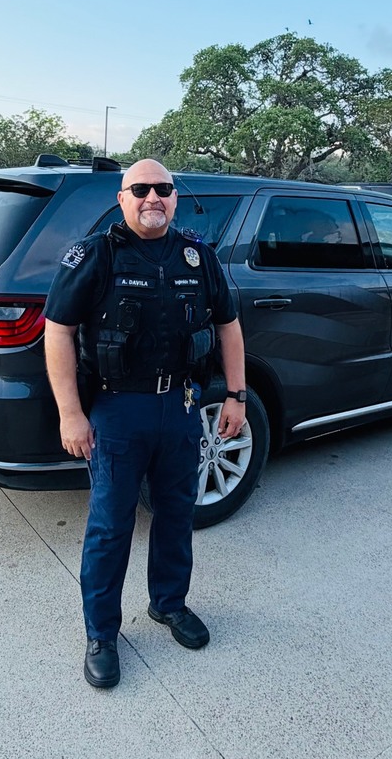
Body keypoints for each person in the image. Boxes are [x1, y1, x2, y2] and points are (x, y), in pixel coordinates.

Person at [43, 158, 246, 689]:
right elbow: (57, 331)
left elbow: (228, 325)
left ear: (175, 196)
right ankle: (101, 634)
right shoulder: (96, 255)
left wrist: (237, 397)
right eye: (141, 189)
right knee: (111, 527)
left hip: (179, 406)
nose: (152, 197)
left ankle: (169, 604)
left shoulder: (196, 255)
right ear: (123, 196)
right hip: (117, 410)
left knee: (177, 513)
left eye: (163, 189)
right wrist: (70, 412)